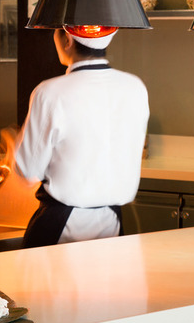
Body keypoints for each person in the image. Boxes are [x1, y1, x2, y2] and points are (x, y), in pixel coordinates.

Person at [12, 25, 149, 248]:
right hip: (112, 227)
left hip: (59, 229)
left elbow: (27, 172)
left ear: (67, 39)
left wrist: (13, 146)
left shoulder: (49, 92)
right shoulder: (135, 87)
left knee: (44, 286)